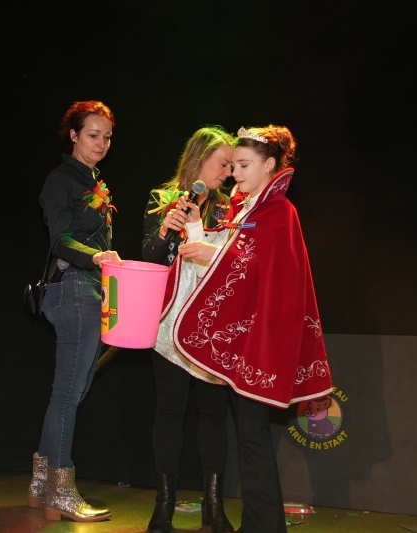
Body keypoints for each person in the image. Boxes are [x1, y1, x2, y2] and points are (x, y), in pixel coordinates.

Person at [174, 125, 333, 532]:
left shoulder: (279, 212)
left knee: (252, 436)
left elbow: (264, 271)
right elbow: (231, 269)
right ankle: (263, 525)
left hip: (262, 339)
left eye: (244, 165)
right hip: (246, 337)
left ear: (269, 165)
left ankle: (262, 526)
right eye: (234, 165)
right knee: (250, 436)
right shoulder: (248, 210)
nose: (235, 173)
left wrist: (212, 252)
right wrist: (198, 231)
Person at [28, 100, 121, 522]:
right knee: (68, 393)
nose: (101, 143)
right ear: (73, 135)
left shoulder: (93, 180)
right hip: (73, 289)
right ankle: (61, 492)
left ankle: (41, 482)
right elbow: (60, 241)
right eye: (92, 135)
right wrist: (96, 257)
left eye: (107, 137)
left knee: (73, 391)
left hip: (91, 291)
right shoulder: (61, 179)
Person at [142, 126, 236, 533]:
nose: (229, 173)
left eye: (232, 166)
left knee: (213, 412)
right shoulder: (163, 198)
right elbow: (149, 258)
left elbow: (232, 265)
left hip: (212, 321)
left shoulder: (229, 206)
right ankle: (164, 507)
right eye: (223, 164)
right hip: (168, 318)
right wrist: (166, 228)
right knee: (170, 408)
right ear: (200, 158)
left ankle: (213, 508)